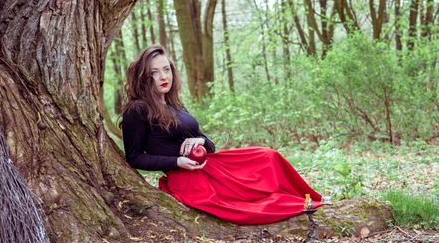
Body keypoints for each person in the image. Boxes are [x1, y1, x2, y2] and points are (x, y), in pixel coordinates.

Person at [121, 45, 322, 225]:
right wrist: (177, 162)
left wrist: (200, 140)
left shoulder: (175, 104)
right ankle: (296, 204)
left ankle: (307, 197)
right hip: (187, 177)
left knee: (268, 157)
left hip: (211, 163)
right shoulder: (138, 110)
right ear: (144, 77)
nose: (163, 77)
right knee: (243, 205)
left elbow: (209, 144)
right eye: (154, 73)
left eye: (166, 70)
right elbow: (134, 157)